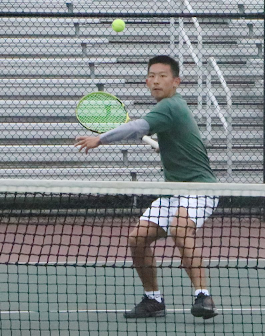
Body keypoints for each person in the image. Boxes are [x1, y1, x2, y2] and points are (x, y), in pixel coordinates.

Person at [74, 55, 219, 320]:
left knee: (179, 226)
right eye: (152, 76)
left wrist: (100, 139)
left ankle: (203, 296)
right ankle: (153, 299)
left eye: (163, 76)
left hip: (201, 189)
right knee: (137, 238)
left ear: (176, 81)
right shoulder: (168, 110)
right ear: (146, 81)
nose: (156, 81)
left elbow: (137, 126)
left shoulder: (171, 106)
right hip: (173, 192)